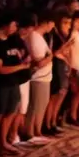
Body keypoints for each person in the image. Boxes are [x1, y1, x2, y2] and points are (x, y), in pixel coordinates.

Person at [0, 14, 29, 156]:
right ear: (5, 25)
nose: (15, 28)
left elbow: (19, 53)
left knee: (10, 112)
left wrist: (23, 58)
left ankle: (4, 141)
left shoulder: (12, 40)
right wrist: (21, 67)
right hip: (0, 83)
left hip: (13, 81)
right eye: (13, 25)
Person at [23, 13, 55, 144]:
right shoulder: (34, 37)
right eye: (52, 23)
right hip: (38, 77)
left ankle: (37, 131)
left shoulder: (40, 37)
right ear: (46, 22)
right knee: (35, 105)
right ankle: (29, 133)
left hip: (45, 76)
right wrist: (50, 57)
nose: (53, 27)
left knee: (41, 105)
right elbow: (39, 61)